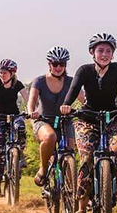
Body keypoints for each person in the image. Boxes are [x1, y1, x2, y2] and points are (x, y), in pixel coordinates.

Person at [60, 33, 117, 213]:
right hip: (87, 119)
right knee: (87, 157)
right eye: (100, 50)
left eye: (108, 51)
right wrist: (66, 105)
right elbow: (72, 92)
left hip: (112, 117)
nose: (104, 54)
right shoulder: (84, 70)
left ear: (113, 54)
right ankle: (81, 209)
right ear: (92, 52)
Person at [27, 46, 82, 187]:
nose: (58, 67)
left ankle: (71, 191)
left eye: (62, 64)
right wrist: (31, 111)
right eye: (55, 64)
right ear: (49, 64)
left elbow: (84, 99)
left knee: (69, 153)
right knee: (50, 137)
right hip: (44, 120)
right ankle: (43, 169)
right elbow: (31, 100)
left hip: (65, 121)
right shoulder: (39, 81)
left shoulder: (71, 81)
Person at [0, 59, 29, 197]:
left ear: (12, 73)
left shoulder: (17, 84)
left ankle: (20, 154)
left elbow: (28, 98)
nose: (1, 74)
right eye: (0, 72)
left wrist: (32, 110)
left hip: (15, 115)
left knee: (20, 127)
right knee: (1, 151)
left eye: (4, 72)